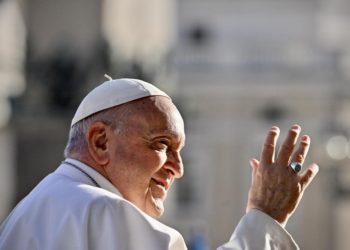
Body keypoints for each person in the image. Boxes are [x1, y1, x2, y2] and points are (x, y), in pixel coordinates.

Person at [0, 78, 319, 250]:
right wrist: (265, 218)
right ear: (100, 141)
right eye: (162, 145)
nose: (178, 168)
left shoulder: (26, 212)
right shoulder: (103, 210)